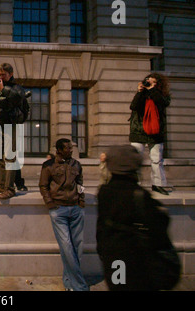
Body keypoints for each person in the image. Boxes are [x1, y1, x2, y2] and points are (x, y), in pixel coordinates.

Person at [96, 145, 180, 290]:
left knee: (118, 287)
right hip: (137, 262)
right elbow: (158, 231)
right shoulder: (139, 195)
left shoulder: (104, 192)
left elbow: (101, 228)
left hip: (114, 259)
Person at [39, 138, 89, 291]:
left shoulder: (76, 165)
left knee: (77, 247)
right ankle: (80, 286)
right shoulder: (48, 165)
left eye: (71, 147)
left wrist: (81, 200)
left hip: (75, 208)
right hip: (59, 209)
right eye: (67, 148)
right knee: (67, 246)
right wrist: (50, 203)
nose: (71, 150)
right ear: (59, 150)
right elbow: (43, 185)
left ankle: (69, 283)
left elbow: (80, 183)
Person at [0, 63, 27, 200]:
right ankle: (1, 184)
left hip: (11, 124)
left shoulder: (17, 88)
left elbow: (17, 98)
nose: (1, 77)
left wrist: (3, 89)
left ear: (11, 74)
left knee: (10, 157)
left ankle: (10, 188)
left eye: (3, 75)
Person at [129, 73, 171, 195]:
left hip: (156, 131)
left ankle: (158, 184)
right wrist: (140, 91)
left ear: (158, 84)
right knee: (136, 158)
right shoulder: (142, 94)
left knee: (157, 160)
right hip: (138, 130)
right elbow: (134, 106)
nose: (149, 84)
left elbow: (163, 103)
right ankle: (135, 184)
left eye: (153, 82)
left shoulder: (162, 95)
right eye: (148, 81)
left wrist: (152, 89)